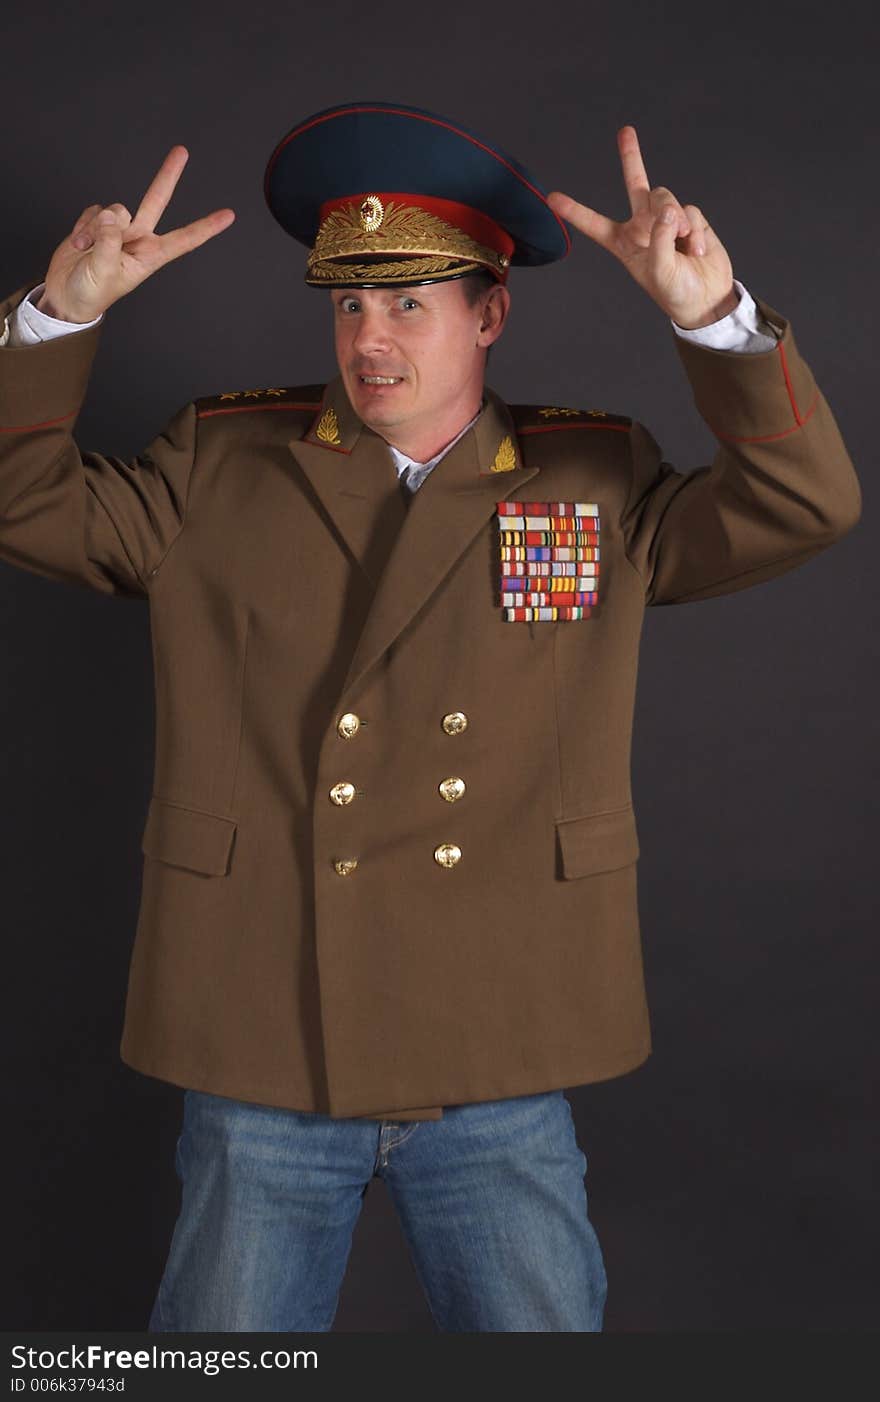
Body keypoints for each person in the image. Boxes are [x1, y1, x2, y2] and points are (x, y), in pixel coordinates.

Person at [0, 101, 860, 1333]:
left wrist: (708, 318)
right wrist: (61, 313)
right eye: (348, 303)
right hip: (261, 1048)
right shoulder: (222, 460)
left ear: (489, 314)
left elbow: (805, 502)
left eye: (409, 303)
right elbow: (23, 504)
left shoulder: (591, 475)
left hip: (495, 1051)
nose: (372, 340)